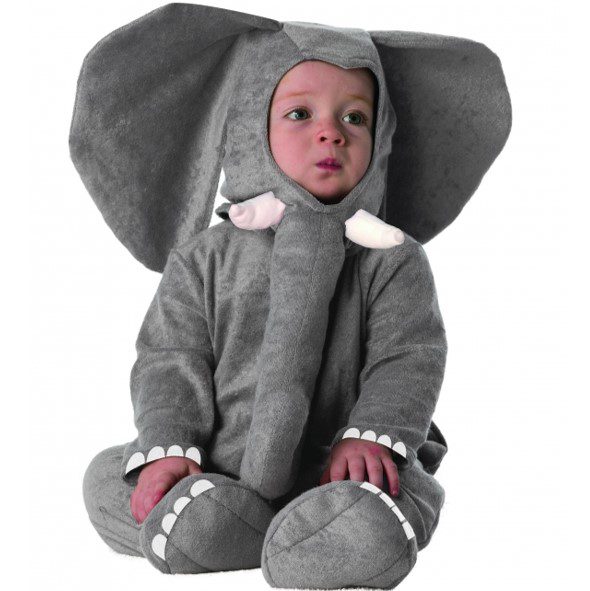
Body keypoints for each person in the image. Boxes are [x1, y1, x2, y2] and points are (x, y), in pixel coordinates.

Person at [72, 4, 510, 588]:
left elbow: (408, 358)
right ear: (250, 125)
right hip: (216, 462)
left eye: (355, 117)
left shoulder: (391, 259)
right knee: (108, 477)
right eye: (300, 113)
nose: (332, 132)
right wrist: (169, 446)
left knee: (393, 497)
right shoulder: (205, 256)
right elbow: (170, 357)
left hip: (340, 468)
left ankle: (323, 528)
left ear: (381, 138)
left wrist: (370, 434)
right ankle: (213, 516)